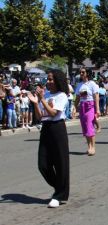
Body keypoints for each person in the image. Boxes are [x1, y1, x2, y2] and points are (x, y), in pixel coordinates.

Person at [27, 70, 70, 208]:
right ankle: (59, 187)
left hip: (57, 128)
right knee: (43, 164)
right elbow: (40, 117)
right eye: (48, 79)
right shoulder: (45, 95)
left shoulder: (62, 95)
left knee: (60, 163)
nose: (48, 81)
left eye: (51, 79)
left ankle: (59, 195)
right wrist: (35, 102)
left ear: (58, 81)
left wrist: (42, 99)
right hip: (46, 128)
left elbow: (52, 113)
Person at [74, 68, 100, 156]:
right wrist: (74, 107)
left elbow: (96, 96)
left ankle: (93, 147)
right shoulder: (79, 85)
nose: (81, 73)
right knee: (85, 127)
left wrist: (98, 109)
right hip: (82, 106)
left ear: (87, 73)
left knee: (89, 126)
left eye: (83, 72)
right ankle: (89, 146)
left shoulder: (92, 84)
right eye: (80, 72)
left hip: (90, 106)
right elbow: (77, 98)